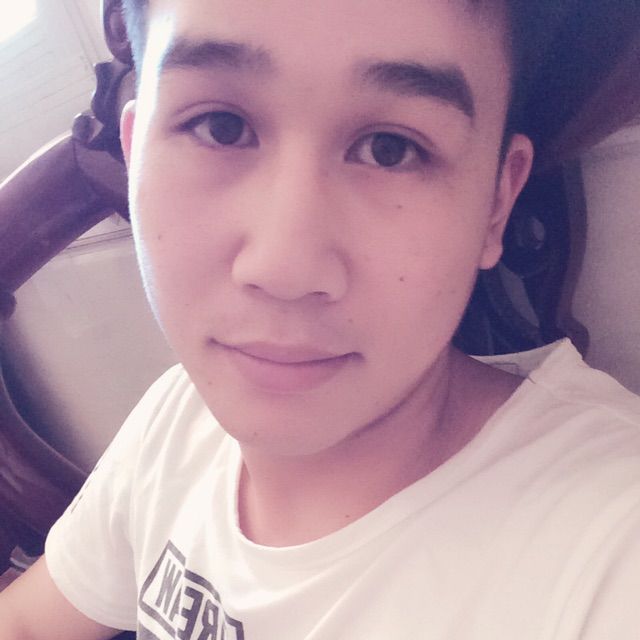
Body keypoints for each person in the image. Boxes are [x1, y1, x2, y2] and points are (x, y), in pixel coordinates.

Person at [1, 0, 639, 638]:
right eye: (221, 127)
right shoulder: (175, 420)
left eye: (390, 149)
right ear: (134, 153)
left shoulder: (607, 548)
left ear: (496, 204)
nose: (284, 268)